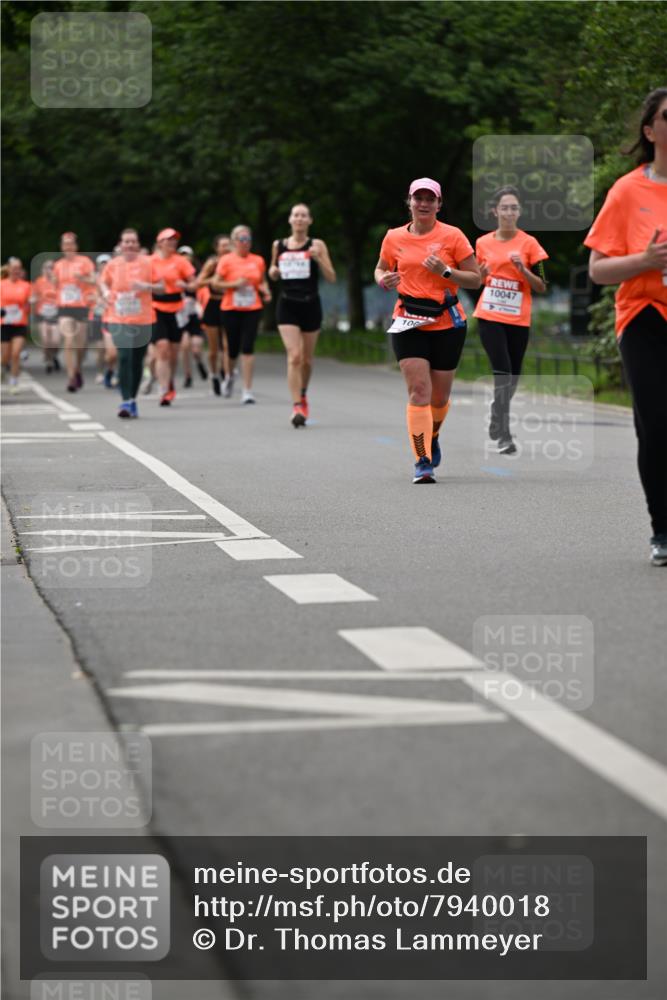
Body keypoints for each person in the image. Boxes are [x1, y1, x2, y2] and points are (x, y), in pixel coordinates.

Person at [585, 87, 667, 566]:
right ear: (649, 130)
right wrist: (645, 259)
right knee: (656, 426)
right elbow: (598, 270)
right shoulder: (627, 191)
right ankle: (662, 529)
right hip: (643, 318)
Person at [375, 177, 481, 482]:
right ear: (408, 202)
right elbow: (381, 267)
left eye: (429, 199)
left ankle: (432, 434)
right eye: (417, 198)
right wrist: (384, 280)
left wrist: (446, 272)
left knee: (438, 398)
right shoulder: (394, 237)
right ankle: (422, 460)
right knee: (418, 391)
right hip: (408, 318)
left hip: (447, 321)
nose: (423, 204)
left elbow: (475, 279)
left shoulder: (453, 236)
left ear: (438, 204)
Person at [474, 186, 548, 454]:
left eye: (513, 208)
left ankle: (496, 412)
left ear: (519, 211)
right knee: (503, 372)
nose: (508, 212)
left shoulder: (530, 244)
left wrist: (523, 270)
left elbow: (542, 285)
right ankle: (504, 433)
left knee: (513, 376)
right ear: (495, 211)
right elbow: (477, 280)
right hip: (490, 314)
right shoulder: (482, 243)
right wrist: (481, 275)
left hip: (518, 318)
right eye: (504, 207)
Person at [268, 203, 336, 426]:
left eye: (303, 215)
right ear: (290, 219)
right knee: (294, 356)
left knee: (306, 359)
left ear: (309, 221)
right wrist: (274, 272)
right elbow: (272, 271)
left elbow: (331, 276)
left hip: (310, 304)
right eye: (295, 215)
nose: (299, 219)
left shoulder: (317, 245)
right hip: (287, 304)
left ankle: (303, 393)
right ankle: (297, 405)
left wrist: (319, 259)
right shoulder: (279, 245)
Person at [99, 228, 164, 418]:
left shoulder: (148, 263)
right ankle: (125, 401)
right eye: (126, 241)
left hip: (143, 319)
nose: (129, 245)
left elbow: (162, 287)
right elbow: (103, 282)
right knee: (125, 356)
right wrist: (105, 293)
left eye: (133, 241)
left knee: (137, 360)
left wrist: (147, 286)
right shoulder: (112, 265)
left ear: (138, 244)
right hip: (117, 317)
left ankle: (132, 399)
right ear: (120, 244)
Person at [216, 225, 271, 403]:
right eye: (241, 239)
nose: (245, 243)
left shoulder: (258, 260)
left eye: (248, 239)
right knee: (232, 350)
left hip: (252, 308)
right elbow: (215, 284)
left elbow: (262, 281)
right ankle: (229, 376)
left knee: (248, 348)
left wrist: (266, 291)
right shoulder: (226, 260)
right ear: (234, 242)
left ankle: (247, 390)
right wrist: (234, 284)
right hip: (231, 308)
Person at [149, 228, 196, 406]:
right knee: (162, 348)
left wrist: (185, 284)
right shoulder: (149, 261)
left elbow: (194, 283)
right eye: (168, 240)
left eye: (174, 240)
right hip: (155, 308)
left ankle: (169, 381)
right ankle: (164, 389)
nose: (172, 243)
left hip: (177, 309)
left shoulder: (181, 261)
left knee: (174, 352)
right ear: (160, 242)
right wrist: (151, 286)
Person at [52, 232, 96, 392]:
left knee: (81, 345)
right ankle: (71, 377)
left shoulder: (85, 262)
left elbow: (95, 279)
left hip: (82, 306)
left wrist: (83, 279)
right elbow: (56, 285)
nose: (68, 247)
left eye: (70, 244)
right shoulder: (58, 265)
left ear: (76, 246)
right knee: (69, 340)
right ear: (62, 247)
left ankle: (77, 370)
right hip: (64, 307)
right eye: (65, 244)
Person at [196, 234, 231, 396]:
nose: (226, 248)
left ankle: (226, 372)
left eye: (228, 245)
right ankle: (214, 375)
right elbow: (199, 281)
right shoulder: (212, 263)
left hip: (230, 305)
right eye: (222, 245)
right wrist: (213, 280)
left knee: (228, 345)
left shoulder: (234, 262)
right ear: (216, 248)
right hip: (214, 304)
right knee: (214, 348)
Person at [176, 245, 208, 388]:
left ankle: (199, 361)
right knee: (184, 346)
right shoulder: (174, 273)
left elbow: (202, 293)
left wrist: (201, 307)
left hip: (194, 313)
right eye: (181, 255)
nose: (184, 257)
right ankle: (188, 375)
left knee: (196, 348)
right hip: (180, 314)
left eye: (187, 255)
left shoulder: (196, 275)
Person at [1, 257, 32, 393]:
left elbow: (29, 304)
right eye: (14, 268)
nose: (16, 271)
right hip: (5, 323)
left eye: (18, 268)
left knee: (16, 353)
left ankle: (14, 382)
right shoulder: (1, 284)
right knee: (5, 356)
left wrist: (30, 304)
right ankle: (3, 367)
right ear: (8, 269)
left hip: (19, 323)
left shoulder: (25, 285)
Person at [33, 260, 60, 373]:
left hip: (56, 314)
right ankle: (48, 361)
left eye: (51, 268)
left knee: (55, 341)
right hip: (42, 314)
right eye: (46, 268)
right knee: (45, 340)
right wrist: (34, 300)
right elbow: (33, 296)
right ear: (42, 270)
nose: (49, 270)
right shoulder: (38, 282)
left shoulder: (58, 282)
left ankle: (53, 356)